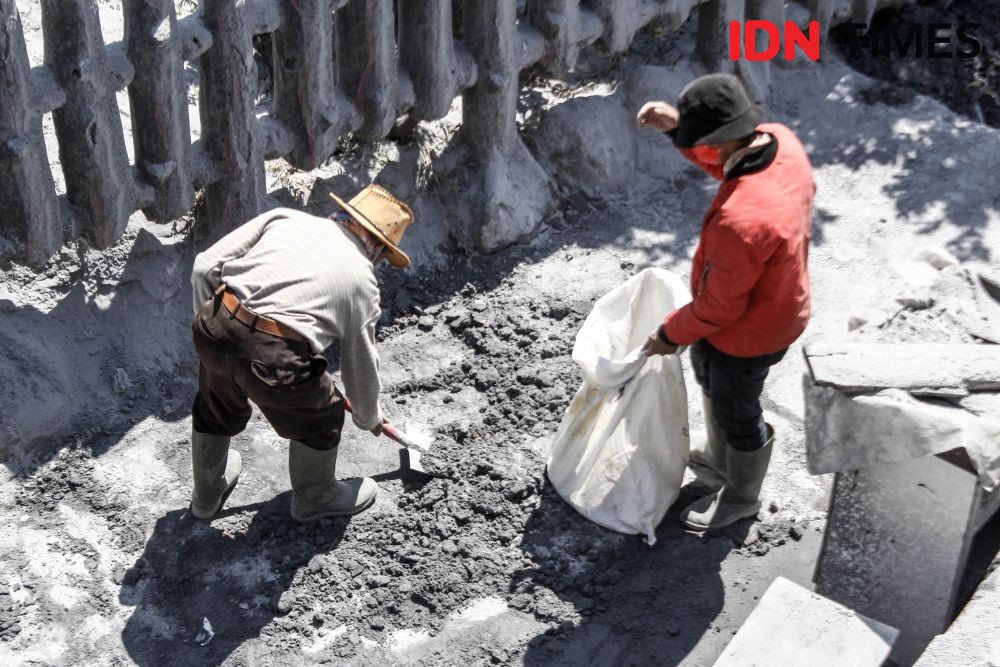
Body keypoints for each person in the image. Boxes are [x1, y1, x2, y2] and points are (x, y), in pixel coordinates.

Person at [637, 73, 815, 531]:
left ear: (716, 142)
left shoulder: (740, 221)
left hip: (754, 331)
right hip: (771, 302)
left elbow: (718, 309)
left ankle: (741, 497)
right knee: (707, 372)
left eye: (702, 140)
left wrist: (667, 334)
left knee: (738, 408)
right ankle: (718, 457)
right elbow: (729, 163)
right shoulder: (781, 142)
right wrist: (680, 129)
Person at [187, 184, 414, 522]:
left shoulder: (285, 218)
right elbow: (360, 368)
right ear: (379, 248)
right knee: (323, 416)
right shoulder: (362, 281)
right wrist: (368, 417)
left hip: (216, 319)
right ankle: (316, 497)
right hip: (274, 355)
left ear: (345, 215)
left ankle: (206, 495)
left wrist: (216, 330)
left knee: (214, 404)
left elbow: (204, 267)